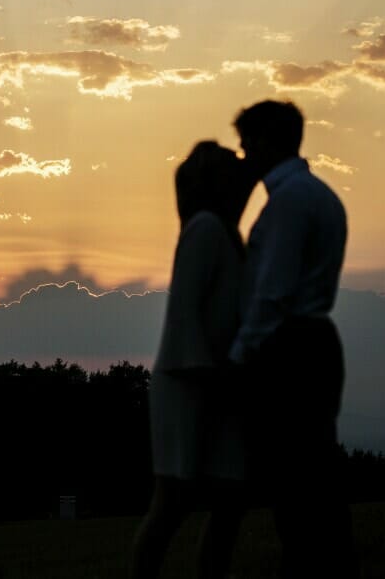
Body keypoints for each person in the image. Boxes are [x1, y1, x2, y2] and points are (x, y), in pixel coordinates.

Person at [229, 100, 357, 578]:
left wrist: (240, 356)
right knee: (316, 480)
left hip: (292, 349)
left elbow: (273, 292)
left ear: (269, 142)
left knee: (298, 487)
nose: (244, 154)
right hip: (314, 343)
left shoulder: (289, 202)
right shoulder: (319, 195)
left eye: (248, 143)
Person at [132, 141, 256, 579]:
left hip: (215, 378)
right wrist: (212, 374)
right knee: (172, 501)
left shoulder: (222, 230)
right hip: (189, 380)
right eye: (229, 166)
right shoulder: (205, 229)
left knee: (228, 496)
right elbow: (185, 311)